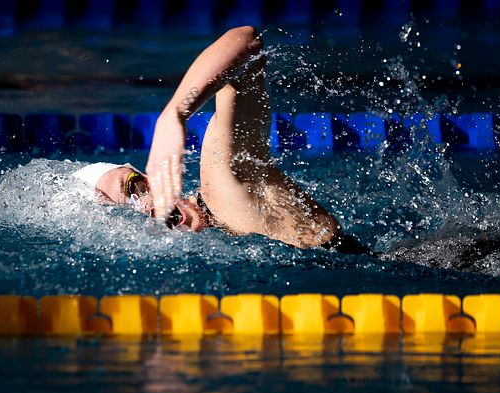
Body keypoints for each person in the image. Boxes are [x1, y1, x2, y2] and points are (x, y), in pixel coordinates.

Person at [73, 26, 370, 254]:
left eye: (134, 188)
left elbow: (247, 42)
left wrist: (174, 114)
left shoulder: (222, 184)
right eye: (123, 213)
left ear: (151, 177)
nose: (145, 208)